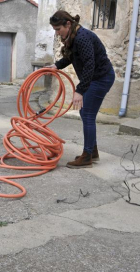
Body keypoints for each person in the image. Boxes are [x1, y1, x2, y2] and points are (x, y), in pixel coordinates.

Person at [46, 10, 115, 169]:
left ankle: (87, 157)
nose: (57, 33)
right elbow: (71, 57)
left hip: (101, 78)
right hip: (96, 78)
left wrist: (80, 91)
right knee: (86, 113)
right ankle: (92, 151)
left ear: (68, 24)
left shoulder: (82, 37)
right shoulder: (74, 36)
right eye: (55, 30)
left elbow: (89, 66)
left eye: (58, 29)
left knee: (87, 114)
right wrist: (56, 66)